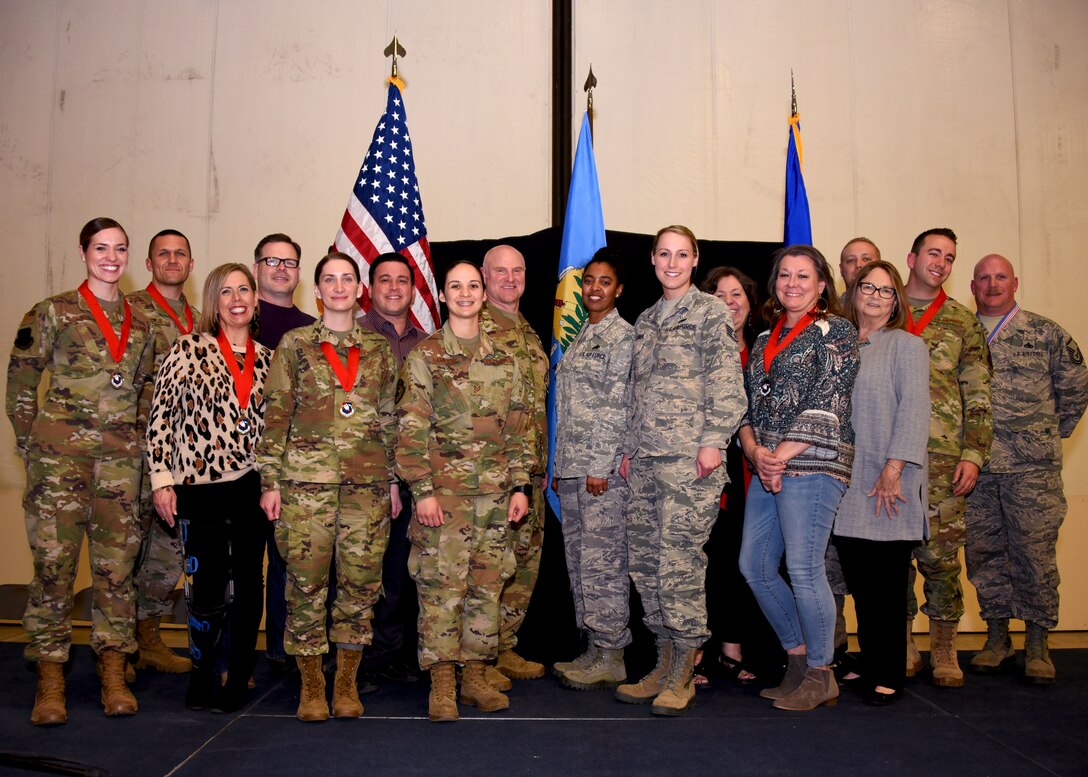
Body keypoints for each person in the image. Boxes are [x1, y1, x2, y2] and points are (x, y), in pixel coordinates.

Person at [7, 217, 155, 725]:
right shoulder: (53, 312)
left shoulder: (143, 322)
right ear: (83, 251)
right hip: (60, 465)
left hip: (120, 468)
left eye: (119, 249)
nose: (110, 257)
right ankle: (50, 679)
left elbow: (148, 393)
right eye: (101, 248)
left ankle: (113, 673)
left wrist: (139, 448)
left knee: (117, 573)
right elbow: (21, 381)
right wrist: (32, 446)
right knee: (54, 572)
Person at [257, 251, 399, 721]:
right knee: (305, 586)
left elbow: (390, 419)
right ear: (316, 290)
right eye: (329, 280)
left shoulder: (379, 350)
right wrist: (269, 481)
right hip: (305, 489)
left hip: (367, 489)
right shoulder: (294, 346)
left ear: (359, 289)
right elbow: (275, 417)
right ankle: (311, 686)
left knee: (359, 586)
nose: (338, 287)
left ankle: (346, 684)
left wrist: (394, 482)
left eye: (347, 279)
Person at [615, 225, 747, 716]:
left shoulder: (711, 311)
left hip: (691, 463)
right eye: (664, 254)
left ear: (695, 260)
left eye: (682, 254)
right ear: (652, 259)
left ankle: (683, 672)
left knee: (679, 566)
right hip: (647, 461)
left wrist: (714, 440)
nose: (672, 262)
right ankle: (662, 661)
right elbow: (636, 393)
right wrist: (629, 447)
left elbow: (728, 384)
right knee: (647, 566)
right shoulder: (647, 319)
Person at [396, 259, 533, 722]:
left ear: (482, 292)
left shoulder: (505, 358)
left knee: (487, 588)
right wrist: (422, 491)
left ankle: (475, 676)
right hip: (445, 498)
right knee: (441, 590)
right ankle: (442, 683)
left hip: (495, 498)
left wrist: (520, 486)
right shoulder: (426, 356)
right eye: (455, 286)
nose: (465, 293)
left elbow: (517, 430)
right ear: (442, 296)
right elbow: (411, 429)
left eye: (472, 285)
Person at [146, 263, 273, 712]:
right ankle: (201, 672)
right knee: (206, 590)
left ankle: (237, 676)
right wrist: (162, 481)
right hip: (197, 488)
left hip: (251, 487)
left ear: (256, 300)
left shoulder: (271, 359)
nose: (237, 298)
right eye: (226, 291)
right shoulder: (187, 349)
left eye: (244, 290)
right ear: (214, 302)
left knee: (249, 588)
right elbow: (162, 420)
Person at [738, 244, 859, 711]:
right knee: (755, 566)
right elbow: (745, 406)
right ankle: (798, 657)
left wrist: (778, 457)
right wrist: (754, 450)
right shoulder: (766, 335)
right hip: (767, 465)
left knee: (806, 570)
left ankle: (822, 673)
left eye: (803, 276)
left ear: (822, 284)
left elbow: (829, 399)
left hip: (813, 464)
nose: (792, 283)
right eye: (785, 275)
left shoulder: (837, 332)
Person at [966, 254, 1088, 684]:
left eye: (1000, 277)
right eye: (984, 278)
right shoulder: (962, 332)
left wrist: (1044, 438)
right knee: (984, 555)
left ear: (1015, 282)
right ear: (973, 285)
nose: (993, 284)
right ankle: (996, 637)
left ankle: (1038, 641)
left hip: (1031, 471)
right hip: (975, 469)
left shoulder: (1045, 332)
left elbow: (1075, 391)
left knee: (1035, 555)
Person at [833, 260, 930, 705]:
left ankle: (889, 671)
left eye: (885, 290)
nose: (874, 295)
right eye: (866, 287)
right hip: (845, 483)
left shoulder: (906, 346)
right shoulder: (837, 344)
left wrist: (893, 469)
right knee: (859, 583)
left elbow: (914, 409)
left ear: (896, 302)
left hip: (886, 480)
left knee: (887, 585)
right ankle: (870, 660)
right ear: (852, 293)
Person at [902, 228, 992, 688]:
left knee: (940, 559)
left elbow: (978, 392)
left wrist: (974, 453)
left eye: (950, 257)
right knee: (891, 558)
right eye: (933, 253)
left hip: (941, 457)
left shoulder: (961, 321)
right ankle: (903, 642)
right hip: (888, 460)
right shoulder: (883, 308)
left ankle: (943, 645)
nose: (941, 262)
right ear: (912, 257)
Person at [551, 249, 634, 691]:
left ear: (618, 289)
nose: (595, 289)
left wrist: (600, 464)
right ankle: (595, 648)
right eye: (589, 282)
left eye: (605, 281)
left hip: (600, 474)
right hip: (573, 469)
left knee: (603, 563)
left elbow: (616, 405)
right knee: (582, 562)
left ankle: (612, 653)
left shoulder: (623, 337)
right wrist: (562, 467)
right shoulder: (584, 332)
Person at [694, 265, 779, 686]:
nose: (730, 304)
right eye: (720, 296)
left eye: (737, 296)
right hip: (705, 473)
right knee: (708, 563)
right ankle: (698, 652)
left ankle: (735, 646)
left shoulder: (768, 349)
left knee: (747, 563)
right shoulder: (695, 351)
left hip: (756, 476)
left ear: (751, 303)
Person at [127, 228, 200, 675]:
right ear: (150, 263)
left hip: (185, 459)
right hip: (132, 455)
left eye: (181, 254)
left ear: (191, 265)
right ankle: (115, 651)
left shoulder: (201, 318)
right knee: (123, 551)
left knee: (167, 551)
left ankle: (147, 636)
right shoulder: (130, 311)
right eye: (163, 254)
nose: (172, 260)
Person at [356, 251, 428, 689]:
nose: (395, 287)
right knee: (362, 570)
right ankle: (356, 659)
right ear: (371, 286)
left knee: (402, 571)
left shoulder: (428, 343)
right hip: (363, 471)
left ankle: (393, 653)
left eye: (403, 280)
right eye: (385, 280)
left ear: (413, 288)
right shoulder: (355, 336)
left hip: (414, 471)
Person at [480, 245, 549, 686]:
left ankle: (504, 646)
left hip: (533, 470)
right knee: (490, 567)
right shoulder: (476, 329)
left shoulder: (527, 330)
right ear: (484, 277)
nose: (509, 278)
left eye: (517, 270)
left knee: (523, 564)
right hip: (495, 474)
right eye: (499, 271)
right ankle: (479, 657)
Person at [251, 233, 316, 673]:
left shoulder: (309, 331)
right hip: (231, 464)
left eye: (290, 262)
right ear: (256, 266)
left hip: (288, 466)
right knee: (237, 567)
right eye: (272, 260)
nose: (280, 268)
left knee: (286, 563)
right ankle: (230, 657)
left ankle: (280, 652)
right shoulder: (235, 317)